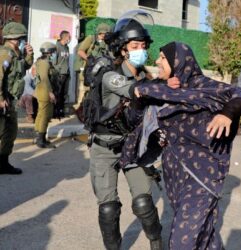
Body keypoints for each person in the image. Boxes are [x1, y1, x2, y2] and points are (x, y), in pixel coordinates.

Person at [119, 41, 241, 249]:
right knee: (205, 234)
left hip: (202, 175)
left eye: (163, 58)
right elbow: (133, 118)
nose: (156, 61)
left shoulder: (203, 85)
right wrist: (140, 97)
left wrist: (228, 113)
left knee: (182, 240)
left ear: (178, 61)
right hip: (174, 173)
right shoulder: (157, 89)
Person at [87, 11, 164, 250]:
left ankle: (157, 243)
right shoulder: (111, 76)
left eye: (143, 45)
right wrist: (165, 87)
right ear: (123, 49)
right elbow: (137, 92)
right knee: (108, 207)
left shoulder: (143, 75)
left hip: (131, 146)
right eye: (134, 45)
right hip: (104, 147)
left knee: (143, 202)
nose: (140, 49)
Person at [0, 22, 33, 175]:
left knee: (10, 131)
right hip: (3, 100)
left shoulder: (15, 54)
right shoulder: (5, 54)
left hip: (11, 100)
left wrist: (29, 55)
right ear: (12, 38)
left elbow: (23, 68)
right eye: (19, 39)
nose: (21, 41)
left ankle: (3, 163)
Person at [75, 23, 112, 110]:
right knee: (84, 89)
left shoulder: (107, 42)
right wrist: (88, 59)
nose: (103, 36)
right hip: (89, 69)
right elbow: (80, 51)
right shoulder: (91, 39)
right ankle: (81, 108)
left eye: (105, 34)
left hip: (102, 71)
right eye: (101, 34)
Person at [34, 42, 57, 149]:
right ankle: (41, 140)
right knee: (45, 115)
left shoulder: (41, 61)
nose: (54, 54)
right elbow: (45, 78)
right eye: (53, 52)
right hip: (44, 92)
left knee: (40, 113)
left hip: (41, 90)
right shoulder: (45, 63)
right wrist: (50, 93)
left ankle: (38, 137)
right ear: (49, 52)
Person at [53, 30, 71, 118]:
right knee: (57, 94)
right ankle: (55, 112)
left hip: (66, 74)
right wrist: (57, 73)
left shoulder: (67, 47)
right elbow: (54, 62)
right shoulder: (56, 47)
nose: (70, 38)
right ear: (64, 37)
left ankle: (61, 110)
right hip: (60, 74)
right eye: (69, 36)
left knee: (64, 94)